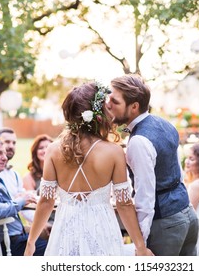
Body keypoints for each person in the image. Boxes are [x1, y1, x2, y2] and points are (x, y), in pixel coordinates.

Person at [25, 81, 153, 256]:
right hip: (101, 229)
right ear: (98, 113)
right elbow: (124, 204)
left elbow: (46, 202)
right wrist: (140, 246)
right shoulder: (114, 151)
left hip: (65, 229)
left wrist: (31, 242)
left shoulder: (53, 150)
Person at [107, 74, 198, 256]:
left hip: (165, 224)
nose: (108, 105)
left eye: (115, 102)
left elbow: (145, 196)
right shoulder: (165, 124)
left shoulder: (138, 142)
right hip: (188, 215)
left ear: (134, 107)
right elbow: (177, 174)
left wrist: (141, 243)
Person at [23, 134, 55, 225]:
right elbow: (30, 205)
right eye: (41, 148)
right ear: (35, 152)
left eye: (48, 147)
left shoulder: (61, 174)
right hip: (41, 222)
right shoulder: (28, 178)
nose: (45, 150)